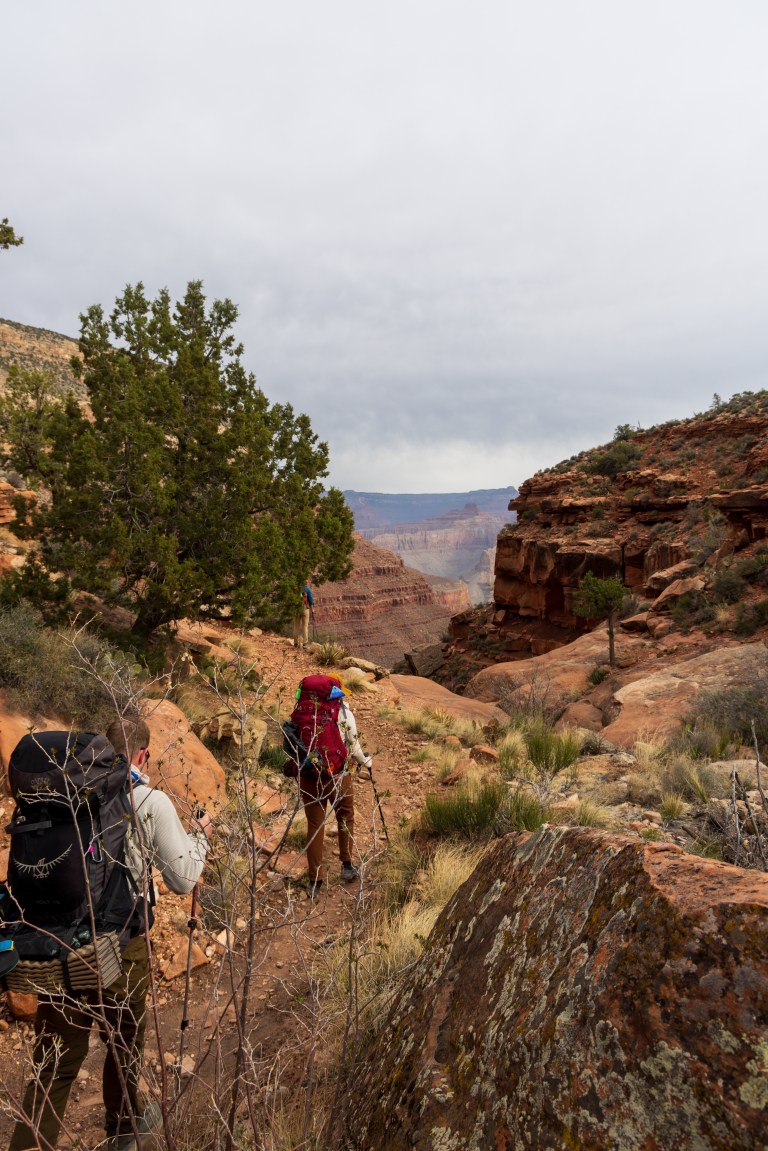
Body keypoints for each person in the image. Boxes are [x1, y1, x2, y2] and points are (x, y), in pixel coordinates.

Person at [9, 716, 212, 1151]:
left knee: (57, 1062)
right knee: (124, 1039)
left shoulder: (60, 798)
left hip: (57, 940)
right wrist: (202, 840)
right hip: (122, 944)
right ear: (142, 755)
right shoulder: (149, 801)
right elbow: (183, 878)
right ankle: (124, 1128)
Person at [300, 678, 372, 899]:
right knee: (345, 816)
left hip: (309, 776)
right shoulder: (342, 713)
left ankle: (315, 881)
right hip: (338, 774)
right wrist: (366, 762)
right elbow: (354, 745)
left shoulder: (303, 712)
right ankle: (347, 865)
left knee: (314, 824)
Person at [293, 583, 314, 649]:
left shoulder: (295, 589)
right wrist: (312, 610)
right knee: (305, 627)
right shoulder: (307, 589)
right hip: (305, 609)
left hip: (296, 609)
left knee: (296, 626)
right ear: (306, 583)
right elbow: (310, 601)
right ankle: (305, 644)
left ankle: (296, 644)